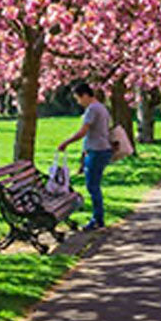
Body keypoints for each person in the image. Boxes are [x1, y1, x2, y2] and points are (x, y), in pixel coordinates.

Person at [58, 82, 111, 232]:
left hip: (97, 150)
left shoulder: (92, 109)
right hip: (100, 150)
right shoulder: (102, 108)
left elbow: (83, 132)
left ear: (85, 95)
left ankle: (98, 220)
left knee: (92, 186)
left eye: (78, 98)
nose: (78, 102)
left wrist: (66, 142)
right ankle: (98, 219)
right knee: (94, 185)